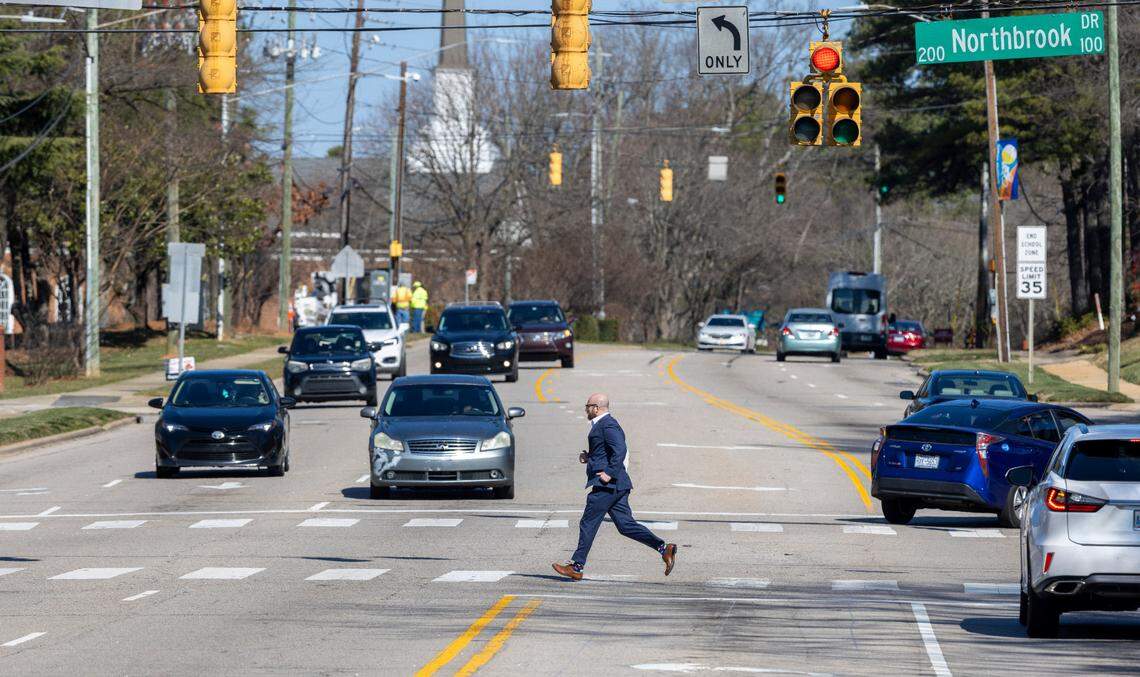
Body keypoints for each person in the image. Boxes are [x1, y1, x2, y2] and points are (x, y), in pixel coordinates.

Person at [552, 393, 677, 581]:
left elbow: (620, 450)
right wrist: (590, 457)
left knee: (588, 522)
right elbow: (608, 450)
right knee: (626, 526)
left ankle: (576, 567)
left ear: (596, 408)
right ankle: (663, 548)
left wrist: (609, 473)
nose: (586, 409)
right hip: (618, 485)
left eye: (588, 406)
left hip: (608, 485)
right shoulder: (602, 425)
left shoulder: (608, 424)